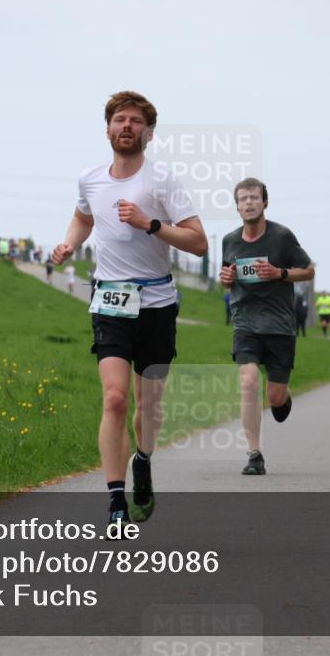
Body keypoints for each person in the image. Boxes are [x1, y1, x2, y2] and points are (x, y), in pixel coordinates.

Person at [51, 91, 207, 528]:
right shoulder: (90, 178)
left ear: (148, 132)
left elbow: (198, 242)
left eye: (136, 121)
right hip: (111, 301)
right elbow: (84, 216)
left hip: (157, 302)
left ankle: (143, 458)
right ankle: (116, 501)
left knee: (148, 408)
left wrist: (150, 224)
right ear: (107, 129)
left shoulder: (162, 181)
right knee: (116, 399)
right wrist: (70, 242)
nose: (126, 126)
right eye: (120, 119)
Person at [219, 177, 314, 475]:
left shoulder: (282, 237)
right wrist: (225, 280)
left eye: (254, 198)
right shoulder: (229, 241)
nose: (248, 203)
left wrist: (279, 272)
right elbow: (226, 276)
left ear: (265, 202)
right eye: (243, 199)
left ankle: (282, 399)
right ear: (236, 205)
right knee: (248, 382)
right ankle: (254, 454)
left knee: (274, 396)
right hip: (245, 322)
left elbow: (308, 270)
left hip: (280, 325)